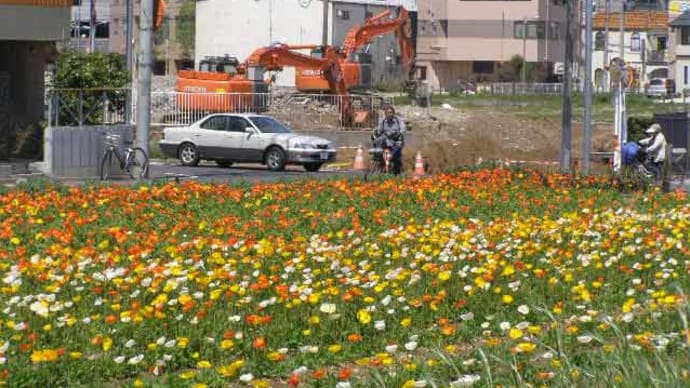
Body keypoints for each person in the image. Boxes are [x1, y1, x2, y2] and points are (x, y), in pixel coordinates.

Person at [372, 105, 405, 174]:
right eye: (387, 113)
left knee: (395, 156)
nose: (389, 114)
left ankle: (396, 172)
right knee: (378, 151)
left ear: (393, 113)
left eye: (391, 112)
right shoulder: (383, 121)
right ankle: (381, 167)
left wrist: (398, 134)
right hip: (386, 142)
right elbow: (379, 130)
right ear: (385, 114)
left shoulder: (398, 120)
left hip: (396, 142)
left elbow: (403, 129)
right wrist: (375, 133)